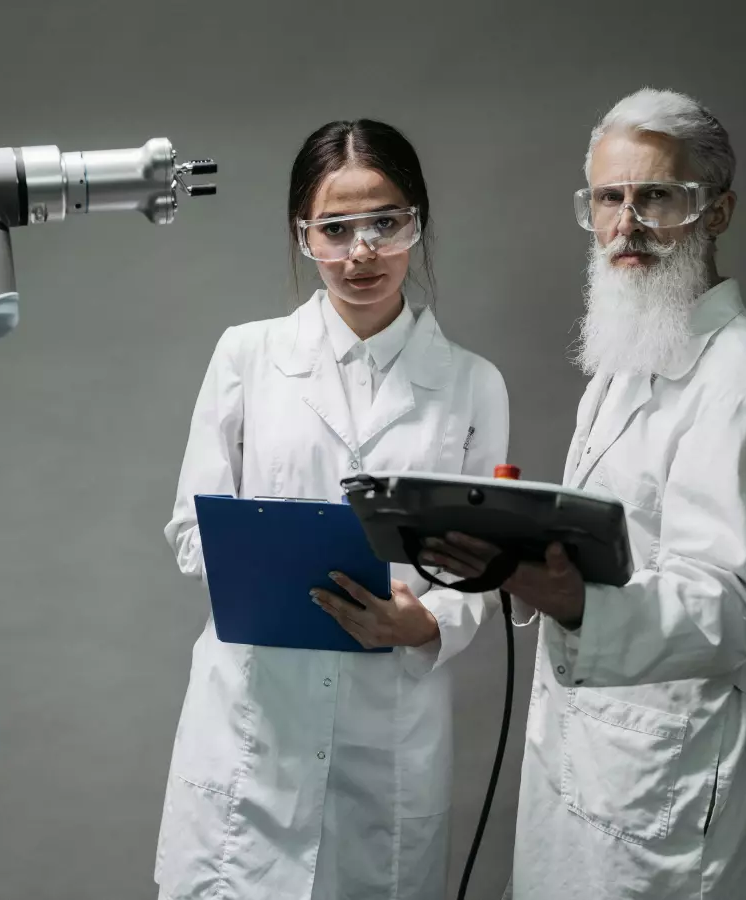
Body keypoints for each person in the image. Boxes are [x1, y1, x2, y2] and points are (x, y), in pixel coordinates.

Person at [153, 119, 510, 900]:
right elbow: (190, 529)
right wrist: (269, 570)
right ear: (302, 235)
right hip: (256, 722)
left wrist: (426, 623)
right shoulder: (246, 357)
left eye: (386, 223)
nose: (362, 252)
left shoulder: (472, 386)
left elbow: (485, 569)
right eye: (335, 229)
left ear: (417, 223)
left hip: (387, 731)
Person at [424, 88, 746, 899]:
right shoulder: (624, 358)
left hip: (669, 780)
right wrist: (514, 555)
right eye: (609, 198)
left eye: (657, 197)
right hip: (586, 755)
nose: (626, 223)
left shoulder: (741, 380)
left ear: (716, 213)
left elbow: (740, 605)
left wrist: (579, 605)